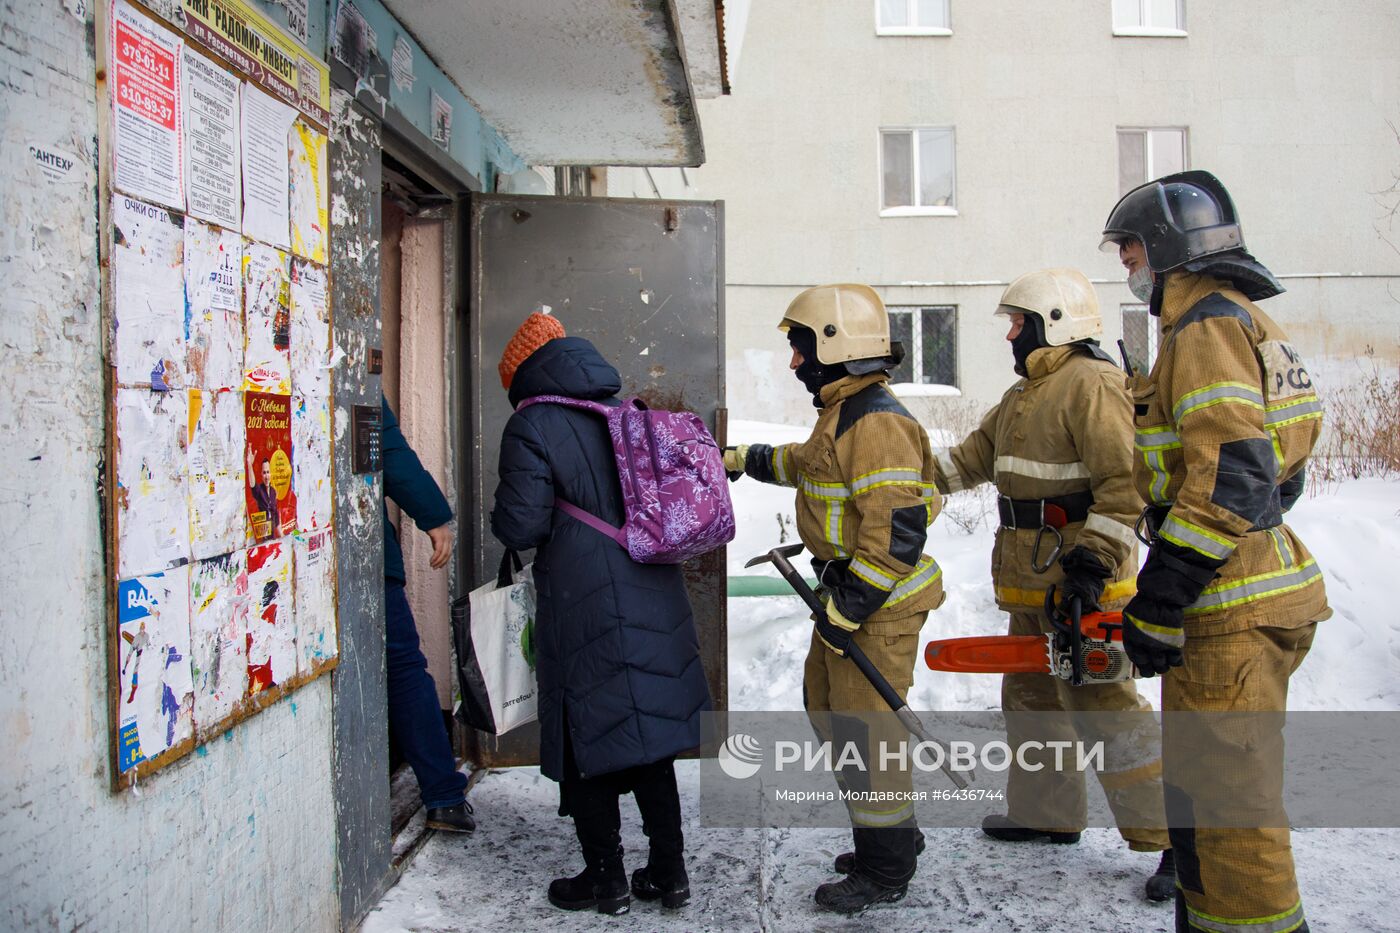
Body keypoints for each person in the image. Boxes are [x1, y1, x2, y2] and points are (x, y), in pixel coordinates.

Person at [1100, 170, 1329, 933]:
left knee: (1230, 813)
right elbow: (1276, 466)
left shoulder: (1203, 327)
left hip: (1226, 603)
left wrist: (1163, 593)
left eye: (1131, 249)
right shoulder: (1242, 321)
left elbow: (1234, 469)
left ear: (1168, 248)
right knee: (1209, 794)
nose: (1127, 264)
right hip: (1253, 581)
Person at [929, 268, 1174, 901]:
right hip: (1033, 586)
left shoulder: (1093, 385)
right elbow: (962, 463)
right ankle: (1047, 812)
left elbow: (1127, 484)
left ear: (1054, 325)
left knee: (1107, 710)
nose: (1009, 334)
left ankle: (1178, 841)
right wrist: (901, 489)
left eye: (1018, 323)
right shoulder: (1022, 398)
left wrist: (1093, 565)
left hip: (1083, 588)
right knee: (1033, 701)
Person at [723, 284, 945, 914]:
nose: (794, 362)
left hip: (878, 603)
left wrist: (849, 606)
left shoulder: (879, 423)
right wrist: (748, 459)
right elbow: (809, 464)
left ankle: (886, 867)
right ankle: (890, 835)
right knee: (827, 711)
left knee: (866, 732)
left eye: (799, 347)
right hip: (850, 598)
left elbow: (897, 533)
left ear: (834, 345)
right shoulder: (845, 412)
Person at [491, 312, 710, 917]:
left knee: (587, 731)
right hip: (651, 587)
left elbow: (522, 523)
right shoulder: (628, 414)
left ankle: (606, 879)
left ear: (524, 375)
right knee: (646, 738)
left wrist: (501, 515)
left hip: (582, 597)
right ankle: (670, 872)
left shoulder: (531, 423)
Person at [382, 395, 474, 834]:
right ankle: (444, 796)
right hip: (364, 558)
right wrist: (435, 517)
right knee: (402, 669)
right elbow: (385, 446)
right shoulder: (348, 358)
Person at [250, 458, 280, 539]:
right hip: (263, 536)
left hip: (272, 536)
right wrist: (249, 465)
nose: (266, 476)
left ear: (270, 474)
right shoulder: (259, 490)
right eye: (264, 473)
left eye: (268, 472)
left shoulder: (273, 492)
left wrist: (282, 536)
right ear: (261, 475)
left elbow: (276, 516)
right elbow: (252, 484)